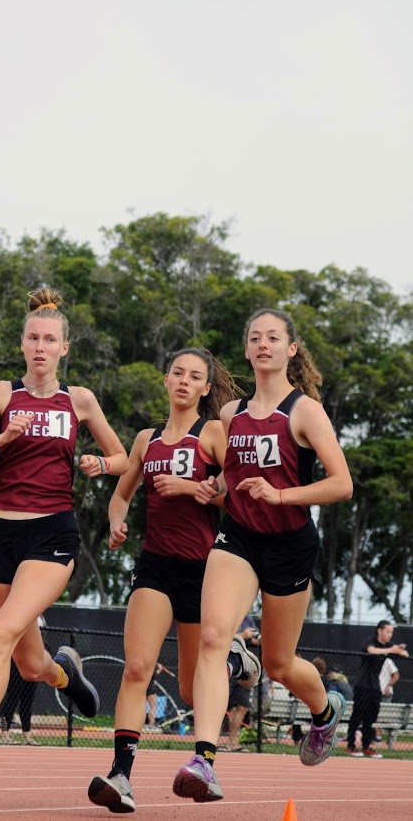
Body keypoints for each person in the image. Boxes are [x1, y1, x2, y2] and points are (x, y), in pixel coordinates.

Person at [0, 287, 129, 803]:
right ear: (23, 345)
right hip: (1, 535)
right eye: (33, 338)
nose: (41, 346)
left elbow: (123, 456)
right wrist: (2, 439)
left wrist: (100, 465)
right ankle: (67, 676)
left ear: (64, 348)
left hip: (52, 535)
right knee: (27, 662)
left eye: (50, 339)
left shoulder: (78, 400)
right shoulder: (1, 394)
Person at [172, 307, 354, 803]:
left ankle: (325, 711)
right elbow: (231, 478)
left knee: (278, 663)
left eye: (274, 337)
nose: (263, 344)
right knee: (213, 637)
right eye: (255, 337)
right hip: (239, 539)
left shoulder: (304, 411)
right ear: (247, 349)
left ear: (290, 349)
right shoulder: (229, 415)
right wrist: (214, 488)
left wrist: (281, 496)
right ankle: (203, 760)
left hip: (291, 544)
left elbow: (341, 484)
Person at [88, 347, 257, 814]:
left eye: (195, 376)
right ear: (166, 380)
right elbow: (121, 495)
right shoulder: (146, 440)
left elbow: (240, 496)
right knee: (137, 667)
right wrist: (118, 522)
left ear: (206, 388)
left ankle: (230, 664)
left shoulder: (215, 433)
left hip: (206, 571)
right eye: (177, 373)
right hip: (155, 566)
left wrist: (193, 489)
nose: (184, 381)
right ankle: (121, 776)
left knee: (189, 690)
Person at [346, 620, 408, 758]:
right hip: (362, 686)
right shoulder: (371, 641)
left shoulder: (389, 646)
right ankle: (350, 746)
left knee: (371, 718)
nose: (390, 635)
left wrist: (399, 649)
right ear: (379, 631)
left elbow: (405, 654)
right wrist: (391, 650)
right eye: (387, 631)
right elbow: (372, 651)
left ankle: (366, 746)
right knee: (357, 717)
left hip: (375, 687)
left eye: (391, 632)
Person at [220, 616, 261, 752]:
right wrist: (243, 635)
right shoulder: (225, 613)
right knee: (219, 704)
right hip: (228, 663)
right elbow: (218, 636)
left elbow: (255, 635)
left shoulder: (248, 618)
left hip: (245, 666)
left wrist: (256, 639)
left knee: (242, 706)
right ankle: (211, 742)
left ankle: (232, 742)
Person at [0, 658, 40, 745]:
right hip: (17, 668)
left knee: (27, 702)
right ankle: (4, 735)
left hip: (32, 668)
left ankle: (27, 736)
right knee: (12, 699)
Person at [373, 656, 400, 744]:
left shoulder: (387, 661)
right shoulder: (370, 660)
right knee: (375, 714)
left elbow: (396, 675)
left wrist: (389, 685)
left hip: (385, 693)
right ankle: (379, 735)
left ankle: (380, 735)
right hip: (373, 692)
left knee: (383, 715)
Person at [144, 662, 164, 732]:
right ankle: (151, 725)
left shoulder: (144, 667)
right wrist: (159, 669)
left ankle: (141, 723)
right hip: (150, 689)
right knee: (153, 707)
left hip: (143, 687)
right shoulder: (150, 669)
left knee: (143, 706)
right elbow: (153, 675)